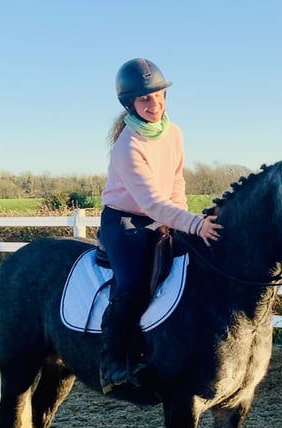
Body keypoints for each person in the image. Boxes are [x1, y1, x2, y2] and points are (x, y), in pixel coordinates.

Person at [98, 57, 222, 393]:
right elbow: (150, 202)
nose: (154, 104)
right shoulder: (127, 145)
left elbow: (175, 182)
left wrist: (182, 219)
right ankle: (111, 363)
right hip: (124, 219)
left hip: (163, 213)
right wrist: (195, 224)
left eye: (158, 95)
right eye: (144, 99)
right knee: (134, 283)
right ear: (130, 103)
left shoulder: (174, 133)